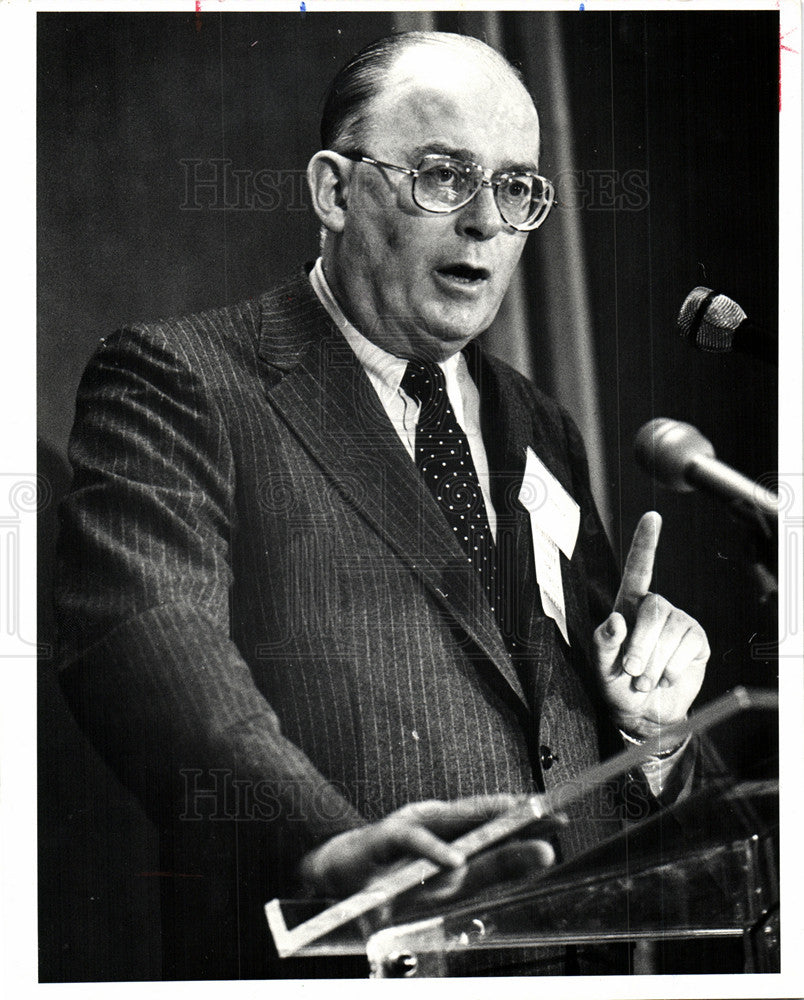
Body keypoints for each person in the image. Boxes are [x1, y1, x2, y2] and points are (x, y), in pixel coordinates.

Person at [54, 30, 709, 980]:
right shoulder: (183, 380)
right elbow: (148, 639)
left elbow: (567, 737)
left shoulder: (541, 425)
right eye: (445, 176)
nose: (487, 222)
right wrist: (323, 848)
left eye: (517, 188)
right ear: (333, 190)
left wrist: (648, 738)